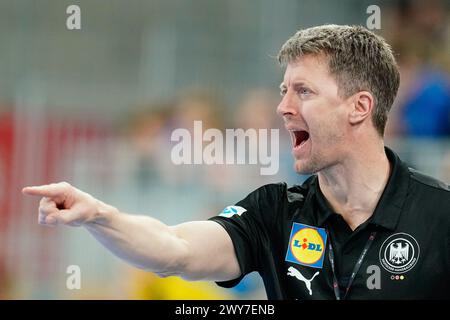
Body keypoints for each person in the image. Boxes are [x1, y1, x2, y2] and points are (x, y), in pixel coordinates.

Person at [23, 25, 450, 300]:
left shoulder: (439, 215)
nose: (282, 107)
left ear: (359, 107)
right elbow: (176, 249)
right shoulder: (276, 211)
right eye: (283, 90)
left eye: (303, 91)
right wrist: (100, 216)